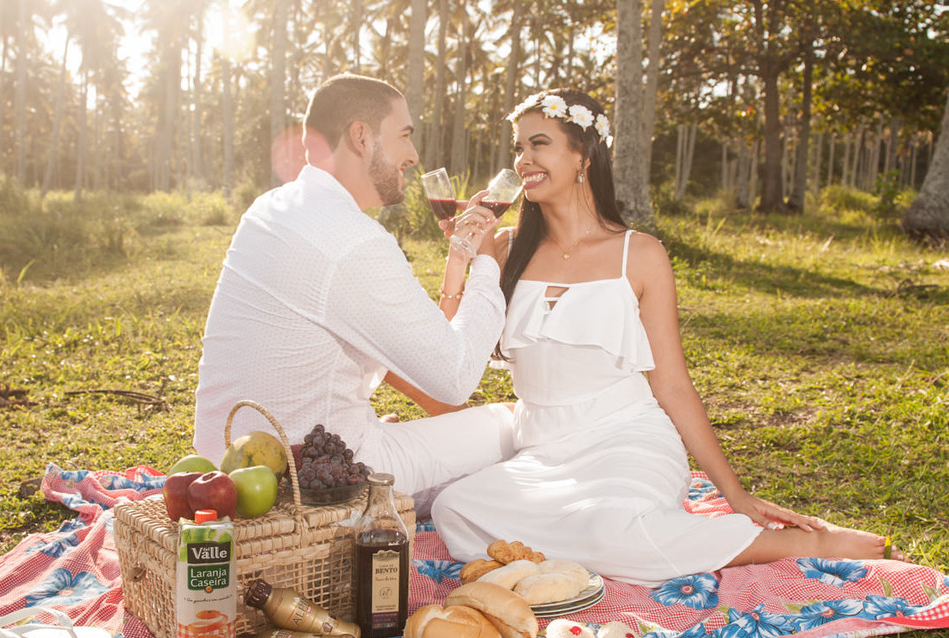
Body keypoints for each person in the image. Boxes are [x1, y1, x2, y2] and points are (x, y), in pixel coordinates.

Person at [431, 89, 899, 586]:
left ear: (583, 155)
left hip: (625, 437)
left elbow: (672, 384)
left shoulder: (639, 254)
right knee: (455, 509)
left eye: (538, 144)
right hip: (540, 450)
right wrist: (462, 258)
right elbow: (447, 351)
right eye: (518, 147)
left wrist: (736, 494)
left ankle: (797, 543)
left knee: (612, 529)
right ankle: (597, 548)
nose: (523, 160)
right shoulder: (504, 247)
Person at [192, 74, 514, 512]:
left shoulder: (269, 208)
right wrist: (488, 263)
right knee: (508, 424)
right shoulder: (355, 241)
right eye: (404, 136)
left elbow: (417, 351)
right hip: (315, 489)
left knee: (442, 440)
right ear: (361, 137)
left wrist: (457, 260)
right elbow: (454, 378)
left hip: (225, 473)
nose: (413, 156)